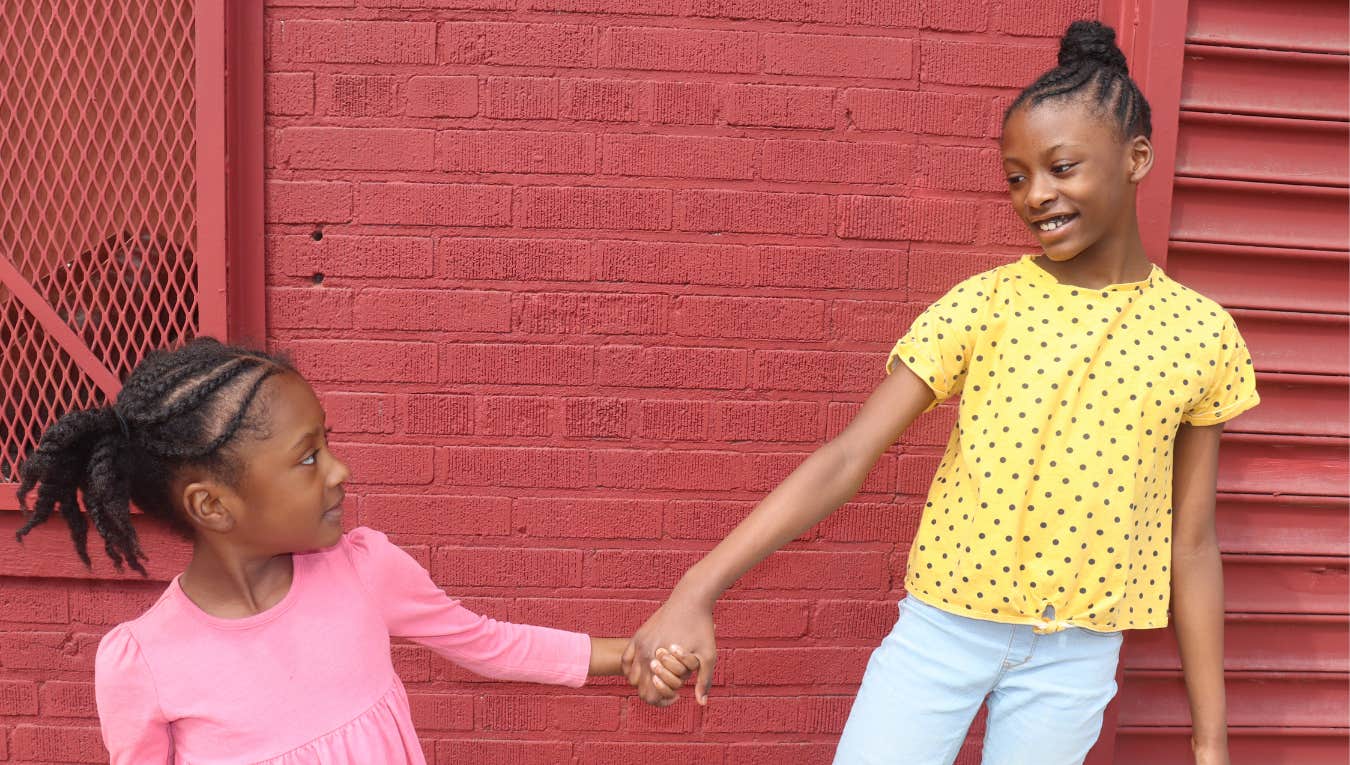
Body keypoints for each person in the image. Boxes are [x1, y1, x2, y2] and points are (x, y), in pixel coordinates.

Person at [623, 19, 1257, 765]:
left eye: (1062, 167)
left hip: (1076, 657)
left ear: (1136, 158)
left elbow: (1192, 543)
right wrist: (698, 586)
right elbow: (847, 456)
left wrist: (1211, 739)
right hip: (942, 633)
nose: (1037, 195)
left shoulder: (1201, 334)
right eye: (1017, 177)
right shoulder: (983, 305)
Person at [15, 338, 696, 764]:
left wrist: (626, 654)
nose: (339, 470)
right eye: (308, 457)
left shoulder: (364, 570)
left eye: (328, 442)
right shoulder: (146, 660)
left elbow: (486, 640)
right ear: (212, 504)